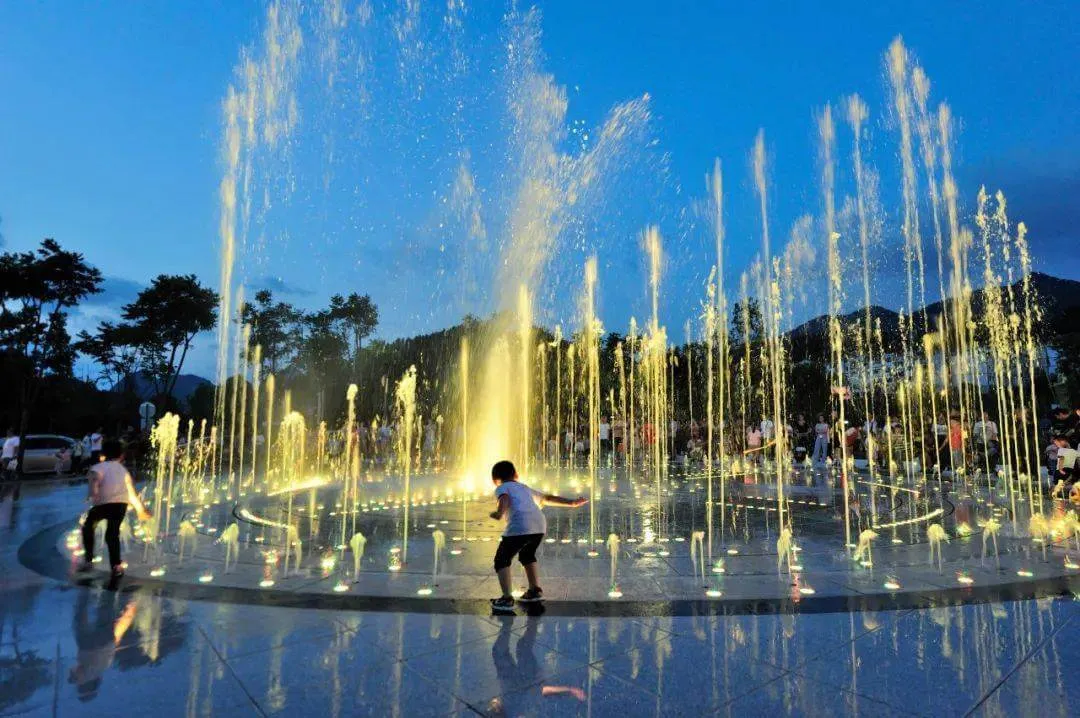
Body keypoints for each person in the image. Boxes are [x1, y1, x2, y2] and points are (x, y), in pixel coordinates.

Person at [488, 460, 586, 611]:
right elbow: (546, 498)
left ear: (495, 480)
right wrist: (571, 503)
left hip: (520, 526)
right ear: (516, 475)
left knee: (502, 559)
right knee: (527, 555)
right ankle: (534, 590)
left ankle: (507, 598)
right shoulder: (524, 488)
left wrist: (500, 512)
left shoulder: (502, 487)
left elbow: (505, 499)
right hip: (539, 526)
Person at [78, 440, 151, 578]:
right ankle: (116, 565)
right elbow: (132, 493)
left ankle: (88, 560)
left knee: (88, 526)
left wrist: (92, 494)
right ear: (122, 455)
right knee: (112, 534)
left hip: (103, 504)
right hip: (120, 506)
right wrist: (141, 509)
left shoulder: (99, 467)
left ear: (102, 453)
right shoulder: (123, 470)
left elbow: (94, 479)